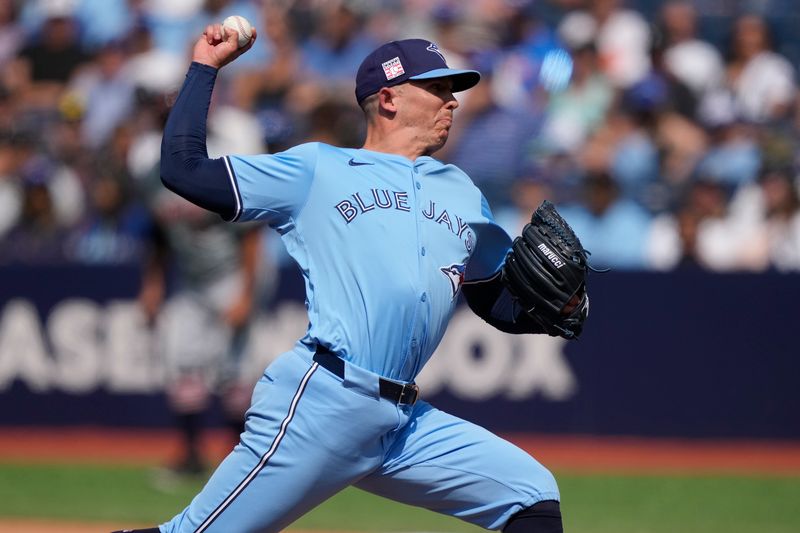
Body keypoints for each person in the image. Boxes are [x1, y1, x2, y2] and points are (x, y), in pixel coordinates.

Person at [114, 24, 565, 533]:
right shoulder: (317, 169)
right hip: (324, 402)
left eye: (453, 90)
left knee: (530, 495)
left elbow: (495, 299)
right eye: (438, 88)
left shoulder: (461, 190)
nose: (453, 102)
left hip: (401, 423)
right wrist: (205, 68)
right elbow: (184, 170)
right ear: (389, 98)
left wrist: (557, 310)